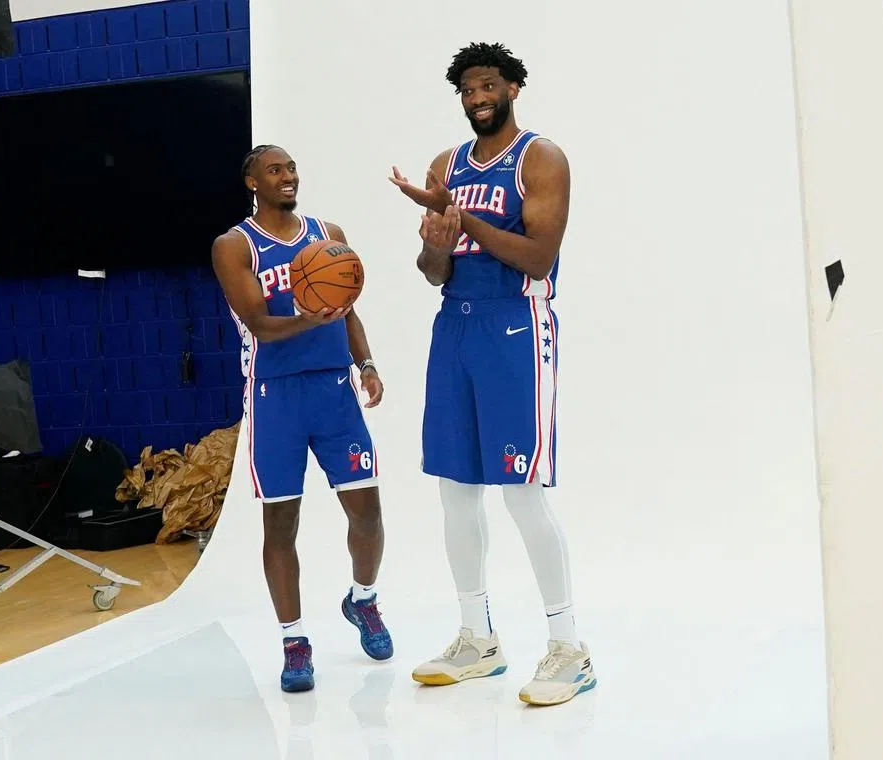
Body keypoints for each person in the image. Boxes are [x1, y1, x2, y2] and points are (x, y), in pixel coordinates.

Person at [389, 42, 596, 706]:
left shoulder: (540, 157)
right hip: (456, 323)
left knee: (522, 492)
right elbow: (433, 272)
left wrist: (462, 215)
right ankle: (477, 639)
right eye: (466, 89)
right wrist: (437, 241)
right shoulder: (444, 164)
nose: (476, 96)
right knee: (455, 488)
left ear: (512, 87)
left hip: (514, 326)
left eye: (486, 85)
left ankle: (569, 649)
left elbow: (538, 256)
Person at [212, 144, 394, 693]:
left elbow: (349, 305)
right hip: (275, 398)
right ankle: (294, 642)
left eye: (291, 168)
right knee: (281, 525)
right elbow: (261, 324)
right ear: (251, 181)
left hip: (335, 390)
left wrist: (366, 363)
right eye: (274, 170)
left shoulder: (326, 231)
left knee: (367, 511)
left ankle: (362, 601)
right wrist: (311, 318)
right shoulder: (233, 245)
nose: (287, 176)